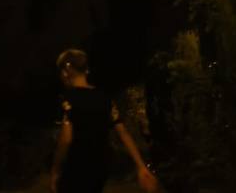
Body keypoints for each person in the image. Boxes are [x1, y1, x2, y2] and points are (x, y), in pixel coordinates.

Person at [50, 48, 159, 193]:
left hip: (75, 167)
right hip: (100, 167)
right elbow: (123, 133)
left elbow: (66, 138)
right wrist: (141, 166)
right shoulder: (105, 99)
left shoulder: (68, 99)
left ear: (65, 71)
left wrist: (55, 170)